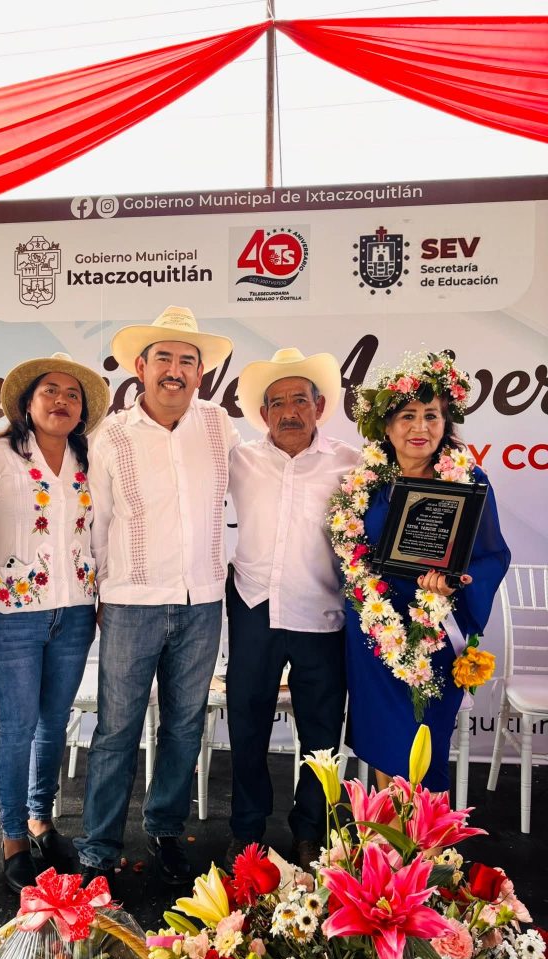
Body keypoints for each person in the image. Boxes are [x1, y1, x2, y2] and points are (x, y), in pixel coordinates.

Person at [74, 306, 239, 887]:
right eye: (163, 358)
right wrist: (101, 590)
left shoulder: (220, 426)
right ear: (140, 368)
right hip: (130, 602)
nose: (175, 369)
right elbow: (96, 521)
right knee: (116, 728)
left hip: (202, 601)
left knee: (184, 726)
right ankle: (98, 846)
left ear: (201, 372)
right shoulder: (111, 435)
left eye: (187, 360)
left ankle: (165, 829)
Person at [0, 352, 110, 894]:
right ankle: (13, 840)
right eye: (51, 390)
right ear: (27, 403)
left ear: (82, 411)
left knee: (54, 723)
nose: (62, 400)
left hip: (75, 613)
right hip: (9, 615)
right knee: (18, 727)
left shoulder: (90, 460)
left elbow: (98, 534)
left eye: (73, 394)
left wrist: (100, 598)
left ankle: (41, 820)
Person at [333, 351, 510, 793]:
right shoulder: (367, 483)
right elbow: (351, 552)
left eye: (431, 415)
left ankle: (424, 837)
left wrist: (453, 585)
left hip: (433, 631)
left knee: (421, 741)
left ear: (445, 423)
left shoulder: (467, 481)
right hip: (374, 628)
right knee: (381, 740)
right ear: (385, 426)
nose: (420, 427)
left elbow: (491, 556)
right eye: (407, 416)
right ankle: (381, 835)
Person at [225, 348, 358, 871]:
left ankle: (311, 832)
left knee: (321, 736)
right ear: (263, 415)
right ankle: (247, 832)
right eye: (276, 403)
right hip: (253, 607)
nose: (288, 412)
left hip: (321, 613)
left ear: (319, 407)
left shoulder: (351, 463)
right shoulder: (239, 459)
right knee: (247, 725)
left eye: (299, 400)